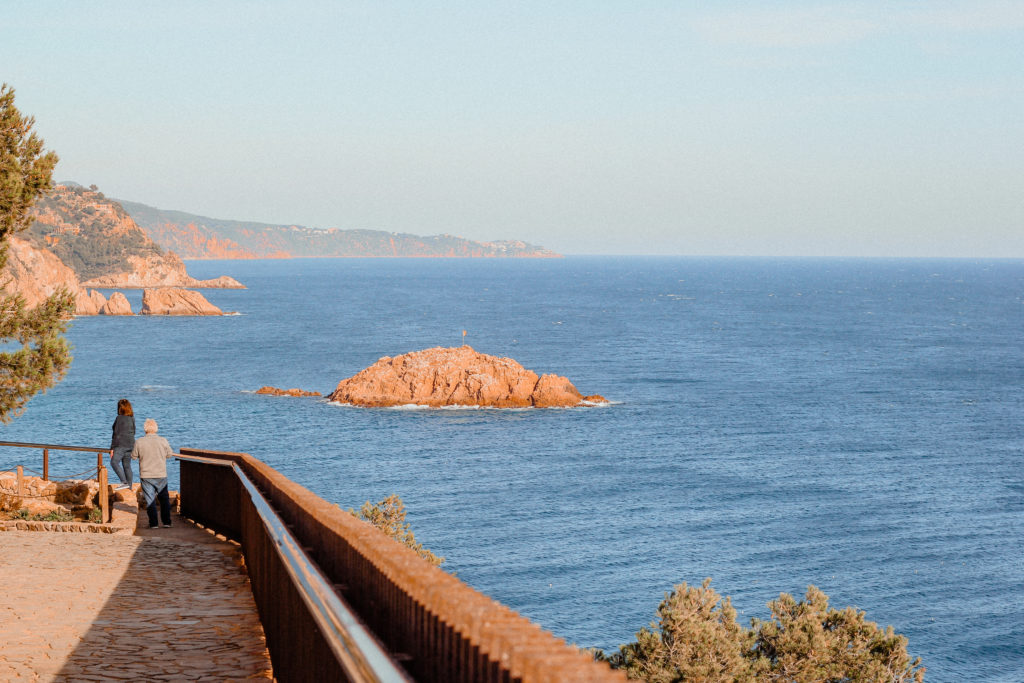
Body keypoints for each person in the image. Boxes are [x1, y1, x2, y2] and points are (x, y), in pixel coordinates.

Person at [131, 418, 175, 529]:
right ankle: (167, 522)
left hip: (146, 475)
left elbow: (134, 456)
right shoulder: (163, 440)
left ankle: (153, 523)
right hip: (161, 474)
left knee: (150, 500)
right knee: (164, 498)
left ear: (145, 429)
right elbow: (169, 454)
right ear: (156, 428)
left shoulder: (139, 441)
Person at [110, 398, 136, 490]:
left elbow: (116, 433)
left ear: (120, 408)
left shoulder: (119, 418)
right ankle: (129, 487)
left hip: (121, 444)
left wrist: (112, 448)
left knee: (114, 462)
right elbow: (133, 431)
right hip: (131, 444)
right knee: (127, 466)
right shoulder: (131, 418)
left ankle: (124, 482)